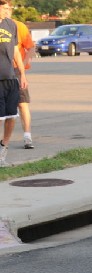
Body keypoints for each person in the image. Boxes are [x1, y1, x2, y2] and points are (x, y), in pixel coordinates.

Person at [0, 0, 28, 167]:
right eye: (5, 8)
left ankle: (4, 148)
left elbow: (16, 50)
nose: (8, 10)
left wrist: (22, 73)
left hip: (10, 78)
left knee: (11, 116)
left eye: (8, 8)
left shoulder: (11, 25)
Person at [7, 4, 35, 149]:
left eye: (8, 8)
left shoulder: (19, 26)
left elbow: (30, 47)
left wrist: (24, 65)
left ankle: (27, 136)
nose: (6, 11)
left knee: (22, 104)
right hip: (2, 70)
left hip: (17, 70)